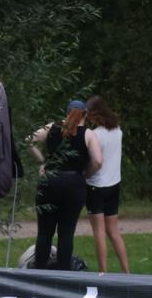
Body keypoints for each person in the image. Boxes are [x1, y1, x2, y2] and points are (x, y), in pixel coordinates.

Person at [28, 99, 103, 270]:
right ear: (85, 114)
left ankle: (39, 271)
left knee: (45, 232)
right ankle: (63, 273)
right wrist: (85, 174)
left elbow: (29, 140)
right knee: (66, 232)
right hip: (74, 185)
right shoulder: (89, 134)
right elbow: (98, 161)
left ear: (66, 112)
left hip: (49, 182)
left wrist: (42, 162)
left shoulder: (51, 127)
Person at [85, 95, 130, 273]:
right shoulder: (118, 131)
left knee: (99, 231)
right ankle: (127, 272)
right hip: (114, 185)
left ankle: (103, 273)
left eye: (89, 115)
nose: (88, 118)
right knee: (114, 231)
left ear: (96, 114)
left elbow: (96, 161)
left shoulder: (95, 135)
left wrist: (85, 174)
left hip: (96, 186)